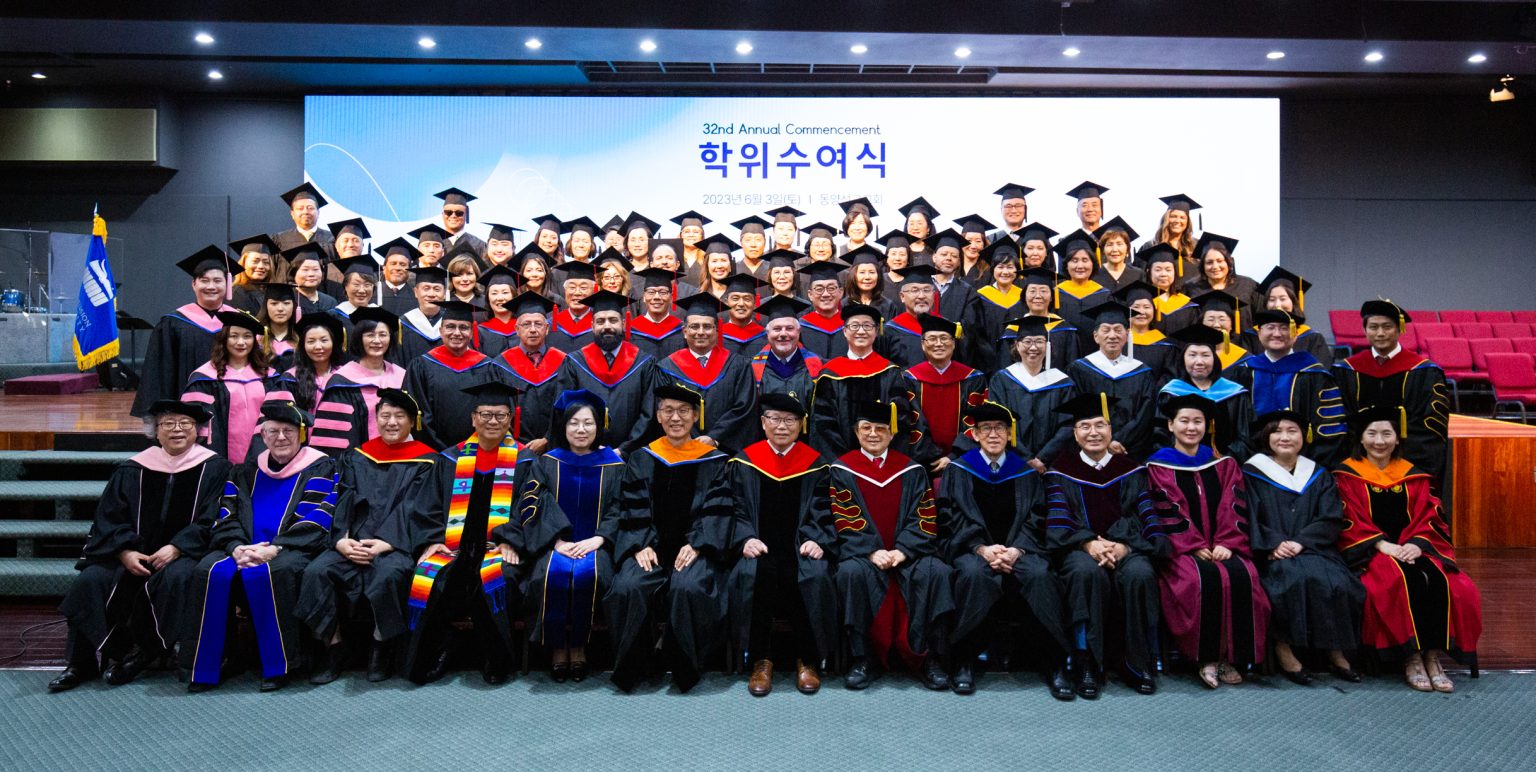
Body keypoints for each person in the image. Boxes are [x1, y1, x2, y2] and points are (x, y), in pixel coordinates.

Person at [50, 401, 232, 692]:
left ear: (197, 430)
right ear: (156, 432)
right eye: (168, 423)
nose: (177, 429)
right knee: (91, 580)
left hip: (185, 553)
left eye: (185, 423)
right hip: (133, 553)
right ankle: (80, 663)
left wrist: (177, 547)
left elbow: (216, 516)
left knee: (178, 578)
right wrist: (124, 551)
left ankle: (143, 653)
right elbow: (109, 516)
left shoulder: (216, 469)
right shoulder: (132, 468)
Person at [182, 403, 337, 692]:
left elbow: (318, 516)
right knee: (210, 571)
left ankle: (278, 666)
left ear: (301, 435)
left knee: (272, 572)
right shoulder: (247, 470)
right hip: (243, 547)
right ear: (263, 436)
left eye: (288, 431)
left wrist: (274, 548)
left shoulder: (321, 468)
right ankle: (209, 666)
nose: (281, 437)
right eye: (273, 431)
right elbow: (227, 512)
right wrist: (236, 547)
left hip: (293, 548)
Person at [299, 388, 448, 684]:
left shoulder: (429, 461)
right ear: (376, 419)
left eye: (399, 416)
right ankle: (334, 647)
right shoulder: (357, 457)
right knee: (316, 572)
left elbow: (418, 507)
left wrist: (388, 542)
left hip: (397, 545)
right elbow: (342, 499)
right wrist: (341, 539)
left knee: (389, 575)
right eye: (385, 415)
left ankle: (381, 645)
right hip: (352, 543)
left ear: (412, 422)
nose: (391, 422)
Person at [1334, 405, 1482, 692]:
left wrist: (1416, 544)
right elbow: (1347, 519)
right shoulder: (1346, 476)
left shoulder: (1414, 476)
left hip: (1414, 547)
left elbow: (1431, 515)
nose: (1379, 441)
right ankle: (1411, 657)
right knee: (1394, 581)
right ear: (1361, 439)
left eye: (1386, 434)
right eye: (1372, 434)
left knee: (1454, 585)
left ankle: (1432, 657)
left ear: (1397, 437)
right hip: (1372, 551)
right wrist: (1381, 544)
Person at [702, 394, 838, 695]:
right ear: (763, 423)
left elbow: (825, 509)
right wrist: (743, 539)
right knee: (754, 574)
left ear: (801, 425)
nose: (782, 426)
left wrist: (817, 539)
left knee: (812, 574)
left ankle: (808, 660)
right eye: (774, 419)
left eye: (790, 420)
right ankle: (759, 661)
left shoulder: (816, 465)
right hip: (757, 545)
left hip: (799, 545)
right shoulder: (743, 462)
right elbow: (732, 508)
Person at [938, 402, 1074, 699]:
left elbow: (1038, 516)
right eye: (986, 428)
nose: (993, 434)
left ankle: (1054, 663)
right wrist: (980, 548)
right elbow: (949, 516)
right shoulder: (958, 470)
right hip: (974, 550)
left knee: (1040, 575)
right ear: (975, 434)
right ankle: (964, 661)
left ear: (1010, 434)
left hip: (1020, 550)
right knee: (973, 575)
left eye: (1000, 428)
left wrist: (1016, 550)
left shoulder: (1024, 472)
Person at [605, 385, 732, 692]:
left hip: (693, 548)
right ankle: (638, 664)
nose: (676, 418)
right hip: (650, 546)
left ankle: (684, 666)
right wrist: (639, 543)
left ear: (696, 416)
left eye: (684, 411)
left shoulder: (714, 460)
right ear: (659, 417)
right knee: (627, 586)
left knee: (690, 587)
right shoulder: (641, 458)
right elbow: (628, 506)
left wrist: (698, 543)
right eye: (669, 411)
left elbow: (719, 509)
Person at [405, 382, 533, 685]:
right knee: (432, 577)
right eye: (485, 414)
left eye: (500, 415)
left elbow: (531, 506)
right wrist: (432, 541)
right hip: (455, 547)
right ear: (473, 418)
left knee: (494, 578)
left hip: (497, 547)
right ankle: (436, 652)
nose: (492, 421)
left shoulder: (525, 460)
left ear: (510, 419)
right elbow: (427, 506)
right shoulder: (451, 458)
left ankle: (495, 658)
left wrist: (511, 540)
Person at [1145, 394, 1270, 689]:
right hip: (1182, 550)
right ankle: (1206, 659)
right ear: (1171, 425)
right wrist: (1194, 544)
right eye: (1184, 421)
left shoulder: (1224, 464)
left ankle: (1232, 657)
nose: (1191, 427)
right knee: (1197, 581)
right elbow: (1168, 509)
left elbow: (1233, 506)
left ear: (1207, 426)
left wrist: (1227, 542)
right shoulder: (1158, 466)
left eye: (1198, 422)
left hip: (1224, 546)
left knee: (1244, 576)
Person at [1043, 393, 1162, 697]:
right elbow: (1059, 521)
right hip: (1078, 550)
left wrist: (1124, 547)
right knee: (1086, 574)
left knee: (1140, 574)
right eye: (1085, 426)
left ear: (1111, 430)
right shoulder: (1060, 471)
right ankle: (1086, 664)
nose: (1093, 432)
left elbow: (1144, 515)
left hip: (1127, 548)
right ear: (1075, 434)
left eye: (1100, 425)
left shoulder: (1131, 469)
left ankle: (1137, 663)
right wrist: (1087, 544)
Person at [831, 400, 954, 691]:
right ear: (856, 432)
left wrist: (903, 550)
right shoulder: (842, 469)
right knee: (851, 573)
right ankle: (863, 658)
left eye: (881, 429)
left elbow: (925, 515)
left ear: (891, 433)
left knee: (937, 572)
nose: (873, 434)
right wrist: (872, 550)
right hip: (865, 554)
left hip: (907, 553)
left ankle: (929, 659)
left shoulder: (911, 469)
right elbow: (843, 515)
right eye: (866, 428)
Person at [1242, 409, 1364, 685]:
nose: (1285, 437)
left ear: (1304, 436)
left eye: (1292, 431)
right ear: (1266, 437)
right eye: (1277, 431)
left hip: (1312, 548)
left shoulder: (1318, 474)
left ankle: (1335, 648)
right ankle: (1283, 648)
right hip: (1271, 552)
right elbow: (1247, 515)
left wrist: (1301, 542)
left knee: (1338, 582)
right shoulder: (1251, 472)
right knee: (1288, 580)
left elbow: (1330, 516)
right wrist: (1273, 543)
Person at [519, 390, 627, 682]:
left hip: (597, 545)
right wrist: (556, 541)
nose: (581, 430)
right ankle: (557, 648)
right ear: (563, 427)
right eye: (574, 423)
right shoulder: (547, 462)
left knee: (590, 576)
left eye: (588, 423)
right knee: (547, 576)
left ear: (598, 427)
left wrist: (600, 539)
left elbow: (622, 507)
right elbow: (532, 504)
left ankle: (579, 647)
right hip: (554, 544)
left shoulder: (615, 465)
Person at [1335, 300, 1451, 484]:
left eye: (1387, 327)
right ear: (1364, 330)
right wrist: (1359, 455)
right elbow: (1341, 418)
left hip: (1409, 464)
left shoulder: (1424, 372)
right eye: (1373, 327)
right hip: (1357, 463)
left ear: (1400, 329)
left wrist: (1400, 460)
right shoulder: (1346, 370)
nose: (1380, 333)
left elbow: (1431, 426)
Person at [1224, 308, 1348, 466]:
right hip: (1250, 462)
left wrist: (1310, 464)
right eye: (1270, 327)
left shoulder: (1316, 374)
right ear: (1259, 333)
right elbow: (1235, 424)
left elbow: (1329, 426)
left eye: (1284, 328)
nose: (1277, 334)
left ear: (1295, 335)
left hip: (1303, 463)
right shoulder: (1243, 371)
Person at [130, 246, 240, 417]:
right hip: (185, 411)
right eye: (204, 280)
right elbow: (159, 372)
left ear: (227, 284)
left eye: (217, 280)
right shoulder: (173, 323)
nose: (211, 286)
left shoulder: (239, 322)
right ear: (194, 284)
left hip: (232, 408)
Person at [179, 310, 287, 465]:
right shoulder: (205, 378)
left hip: (264, 454)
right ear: (224, 339)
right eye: (234, 336)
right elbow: (196, 424)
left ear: (254, 340)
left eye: (247, 336)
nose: (241, 342)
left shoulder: (270, 377)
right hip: (218, 456)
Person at [654, 293, 758, 452]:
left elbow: (744, 408)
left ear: (717, 331)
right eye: (694, 326)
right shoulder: (667, 367)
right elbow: (664, 410)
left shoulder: (738, 365)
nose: (701, 332)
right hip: (681, 449)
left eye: (707, 326)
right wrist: (689, 439)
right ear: (684, 331)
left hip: (726, 451)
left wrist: (714, 438)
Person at [559, 290, 660, 453]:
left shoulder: (643, 363)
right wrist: (587, 446)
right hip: (584, 454)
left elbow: (649, 412)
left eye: (613, 320)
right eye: (600, 321)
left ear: (624, 324)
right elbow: (566, 410)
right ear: (592, 326)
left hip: (631, 455)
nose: (607, 326)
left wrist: (624, 449)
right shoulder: (575, 363)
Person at [810, 303, 909, 457]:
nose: (861, 331)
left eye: (867, 326)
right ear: (844, 331)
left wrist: (882, 456)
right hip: (841, 462)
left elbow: (900, 419)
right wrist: (844, 462)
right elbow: (823, 424)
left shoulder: (890, 372)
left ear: (876, 331)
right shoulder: (830, 374)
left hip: (883, 460)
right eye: (854, 326)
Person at [1066, 301, 1161, 461]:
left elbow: (1145, 413)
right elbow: (1077, 410)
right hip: (1092, 449)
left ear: (1127, 334)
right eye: (1106, 330)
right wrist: (1104, 441)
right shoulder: (1079, 370)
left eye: (1118, 330)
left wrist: (1120, 440)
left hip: (1130, 451)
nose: (1112, 335)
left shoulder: (1141, 371)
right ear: (1096, 336)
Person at [309, 307, 408, 455]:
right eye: (370, 335)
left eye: (383, 335)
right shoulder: (342, 382)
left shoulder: (402, 376)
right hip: (358, 462)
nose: (377, 341)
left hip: (401, 459)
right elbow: (334, 440)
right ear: (359, 338)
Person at [982, 317, 1076, 471]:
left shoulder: (1062, 383)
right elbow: (999, 422)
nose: (1033, 347)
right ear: (1017, 345)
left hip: (1052, 464)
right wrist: (1026, 459)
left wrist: (1042, 458)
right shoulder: (1002, 380)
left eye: (1039, 341)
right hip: (1011, 462)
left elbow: (1068, 425)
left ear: (1047, 345)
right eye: (1027, 341)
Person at [404, 301, 498, 451]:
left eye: (463, 327)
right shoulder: (422, 365)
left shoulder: (487, 366)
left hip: (478, 450)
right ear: (441, 331)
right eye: (450, 326)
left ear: (472, 332)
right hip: (433, 451)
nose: (457, 333)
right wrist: (440, 450)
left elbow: (494, 409)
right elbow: (418, 413)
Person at [901, 314, 985, 471]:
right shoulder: (909, 379)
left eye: (944, 338)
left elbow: (975, 420)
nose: (938, 344)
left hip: (963, 461)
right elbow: (913, 421)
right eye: (932, 339)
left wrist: (954, 456)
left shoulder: (973, 379)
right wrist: (931, 455)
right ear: (923, 345)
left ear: (953, 343)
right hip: (922, 461)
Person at [1157, 324, 1255, 459]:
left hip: (1225, 463)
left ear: (1215, 359)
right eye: (1192, 355)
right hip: (1180, 463)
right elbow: (1160, 434)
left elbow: (1246, 436)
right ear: (1183, 358)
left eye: (1205, 355)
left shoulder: (1235, 393)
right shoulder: (1171, 392)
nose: (1199, 361)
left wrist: (1225, 460)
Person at [492, 293, 573, 450]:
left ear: (547, 329)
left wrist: (548, 439)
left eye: (538, 324)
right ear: (517, 329)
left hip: (555, 446)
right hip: (512, 447)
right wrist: (514, 442)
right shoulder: (501, 365)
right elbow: (496, 407)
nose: (533, 330)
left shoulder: (564, 362)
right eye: (526, 324)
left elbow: (568, 406)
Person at [751, 296, 821, 416]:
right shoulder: (751, 369)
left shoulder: (818, 367)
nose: (783, 334)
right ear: (767, 333)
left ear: (798, 331)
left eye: (789, 328)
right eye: (777, 329)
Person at [1257, 267, 1332, 366]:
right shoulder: (1252, 335)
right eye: (1272, 299)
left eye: (1283, 299)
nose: (1277, 305)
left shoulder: (1312, 337)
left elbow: (1320, 370)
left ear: (1294, 301)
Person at [971, 239, 1026, 373]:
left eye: (1010, 267)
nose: (1005, 272)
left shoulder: (1023, 297)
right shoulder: (981, 297)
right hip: (988, 362)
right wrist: (989, 358)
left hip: (1021, 361)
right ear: (992, 269)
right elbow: (977, 334)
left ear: (1017, 270)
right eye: (1000, 267)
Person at [1052, 230, 1110, 352]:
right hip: (1062, 353)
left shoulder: (1104, 294)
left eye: (1085, 260)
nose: (1080, 266)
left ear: (1093, 263)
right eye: (1074, 260)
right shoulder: (1056, 294)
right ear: (1066, 265)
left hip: (1096, 355)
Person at [926, 229, 981, 359]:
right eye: (944, 254)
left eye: (954, 256)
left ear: (959, 261)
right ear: (934, 257)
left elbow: (969, 328)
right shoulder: (920, 286)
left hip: (954, 355)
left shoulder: (968, 292)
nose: (948, 258)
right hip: (921, 352)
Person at [880, 264, 942, 370]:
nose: (921, 296)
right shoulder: (889, 331)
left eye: (927, 290)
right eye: (914, 290)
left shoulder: (945, 327)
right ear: (902, 297)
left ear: (933, 294)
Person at [1181, 233, 1260, 312]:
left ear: (1228, 262)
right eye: (1209, 262)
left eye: (1220, 261)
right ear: (1203, 266)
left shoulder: (1248, 285)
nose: (1215, 266)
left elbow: (1262, 314)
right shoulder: (1191, 288)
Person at [1117, 281, 1178, 381]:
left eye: (1147, 307)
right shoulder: (1117, 341)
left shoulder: (1166, 345)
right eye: (1136, 307)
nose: (1141, 312)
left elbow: (1170, 377)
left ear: (1154, 311)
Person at [286, 313, 346, 414]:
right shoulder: (290, 379)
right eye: (311, 341)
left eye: (324, 340)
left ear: (333, 343)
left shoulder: (345, 376)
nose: (318, 347)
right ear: (303, 346)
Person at [795, 257, 850, 360]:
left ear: (841, 292)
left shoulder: (851, 325)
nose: (825, 294)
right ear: (810, 295)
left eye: (831, 288)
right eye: (819, 289)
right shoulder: (800, 327)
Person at [628, 267, 688, 359]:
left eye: (663, 292)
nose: (657, 297)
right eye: (651, 292)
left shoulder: (681, 330)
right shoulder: (631, 331)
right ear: (644, 297)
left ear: (671, 298)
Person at [272, 183, 334, 270]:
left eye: (310, 208)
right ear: (292, 214)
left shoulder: (332, 239)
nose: (305, 212)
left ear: (318, 212)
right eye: (300, 208)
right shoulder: (279, 240)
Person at [1189, 290, 1254, 372]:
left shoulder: (1245, 359)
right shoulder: (1189, 356)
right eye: (1210, 319)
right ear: (1201, 324)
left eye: (1222, 319)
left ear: (1232, 325)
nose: (1216, 325)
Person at [1140, 194, 1201, 279]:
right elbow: (1141, 275)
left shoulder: (1197, 246)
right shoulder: (1151, 246)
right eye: (1173, 216)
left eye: (1182, 217)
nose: (1177, 220)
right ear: (1166, 219)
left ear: (1187, 222)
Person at [1143, 244, 1199, 335]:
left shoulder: (1187, 304)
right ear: (1148, 272)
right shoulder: (1143, 302)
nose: (1163, 274)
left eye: (1168, 270)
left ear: (1174, 272)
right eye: (1158, 270)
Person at [397, 265, 448, 363]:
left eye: (437, 289)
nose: (431, 294)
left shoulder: (451, 324)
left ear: (444, 293)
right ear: (416, 292)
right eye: (426, 288)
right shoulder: (403, 324)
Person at [548, 261, 598, 353]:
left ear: (593, 291)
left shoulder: (599, 324)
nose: (577, 293)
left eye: (583, 288)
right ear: (565, 291)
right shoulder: (551, 325)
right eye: (572, 287)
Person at [475, 264, 522, 359]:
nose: (500, 298)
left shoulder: (525, 328)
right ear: (488, 298)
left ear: (514, 296)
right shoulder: (480, 331)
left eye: (505, 292)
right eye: (494, 293)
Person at [841, 245, 899, 323]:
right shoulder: (844, 305)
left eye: (872, 272)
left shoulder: (888, 306)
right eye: (862, 272)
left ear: (878, 276)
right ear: (853, 275)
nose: (867, 277)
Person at [718, 272, 767, 356]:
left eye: (747, 299)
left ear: (755, 304)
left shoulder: (765, 336)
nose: (741, 304)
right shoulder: (716, 337)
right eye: (735, 298)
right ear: (726, 302)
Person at [229, 234, 280, 314]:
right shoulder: (237, 293)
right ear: (243, 263)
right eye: (255, 261)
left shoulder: (271, 292)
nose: (261, 266)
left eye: (266, 262)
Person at [1092, 217, 1145, 294]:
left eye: (1119, 244)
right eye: (1109, 244)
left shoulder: (1138, 275)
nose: (1115, 249)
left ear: (1127, 247)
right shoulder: (1094, 276)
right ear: (1103, 249)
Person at [255, 282, 299, 373]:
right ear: (266, 306)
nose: (280, 309)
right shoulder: (256, 338)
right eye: (274, 303)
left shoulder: (302, 338)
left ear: (293, 306)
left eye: (286, 303)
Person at [322, 218, 371, 298]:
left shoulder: (374, 270)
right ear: (336, 246)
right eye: (345, 241)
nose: (350, 245)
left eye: (356, 240)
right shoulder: (326, 271)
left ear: (363, 245)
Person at [285, 243, 339, 316]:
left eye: (315, 269)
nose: (311, 274)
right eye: (305, 270)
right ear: (293, 273)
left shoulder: (330, 302)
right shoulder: (286, 300)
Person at [436, 187, 487, 260]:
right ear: (442, 214)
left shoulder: (479, 245)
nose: (453, 216)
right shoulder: (434, 243)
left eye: (459, 213)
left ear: (466, 214)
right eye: (448, 212)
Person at [375, 237, 420, 316]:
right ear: (384, 269)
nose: (397, 268)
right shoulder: (371, 292)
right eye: (393, 264)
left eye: (402, 264)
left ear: (409, 270)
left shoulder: (417, 296)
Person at [955, 214, 994, 284]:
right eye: (969, 240)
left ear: (984, 244)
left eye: (978, 241)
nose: (973, 246)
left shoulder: (990, 271)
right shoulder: (952, 267)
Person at [898, 197, 939, 262]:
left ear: (928, 228)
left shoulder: (937, 252)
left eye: (919, 223)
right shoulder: (899, 253)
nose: (915, 228)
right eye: (911, 223)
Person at [733, 214, 773, 279]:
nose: (753, 245)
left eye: (758, 240)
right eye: (748, 240)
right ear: (741, 242)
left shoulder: (773, 270)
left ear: (765, 242)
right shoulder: (732, 270)